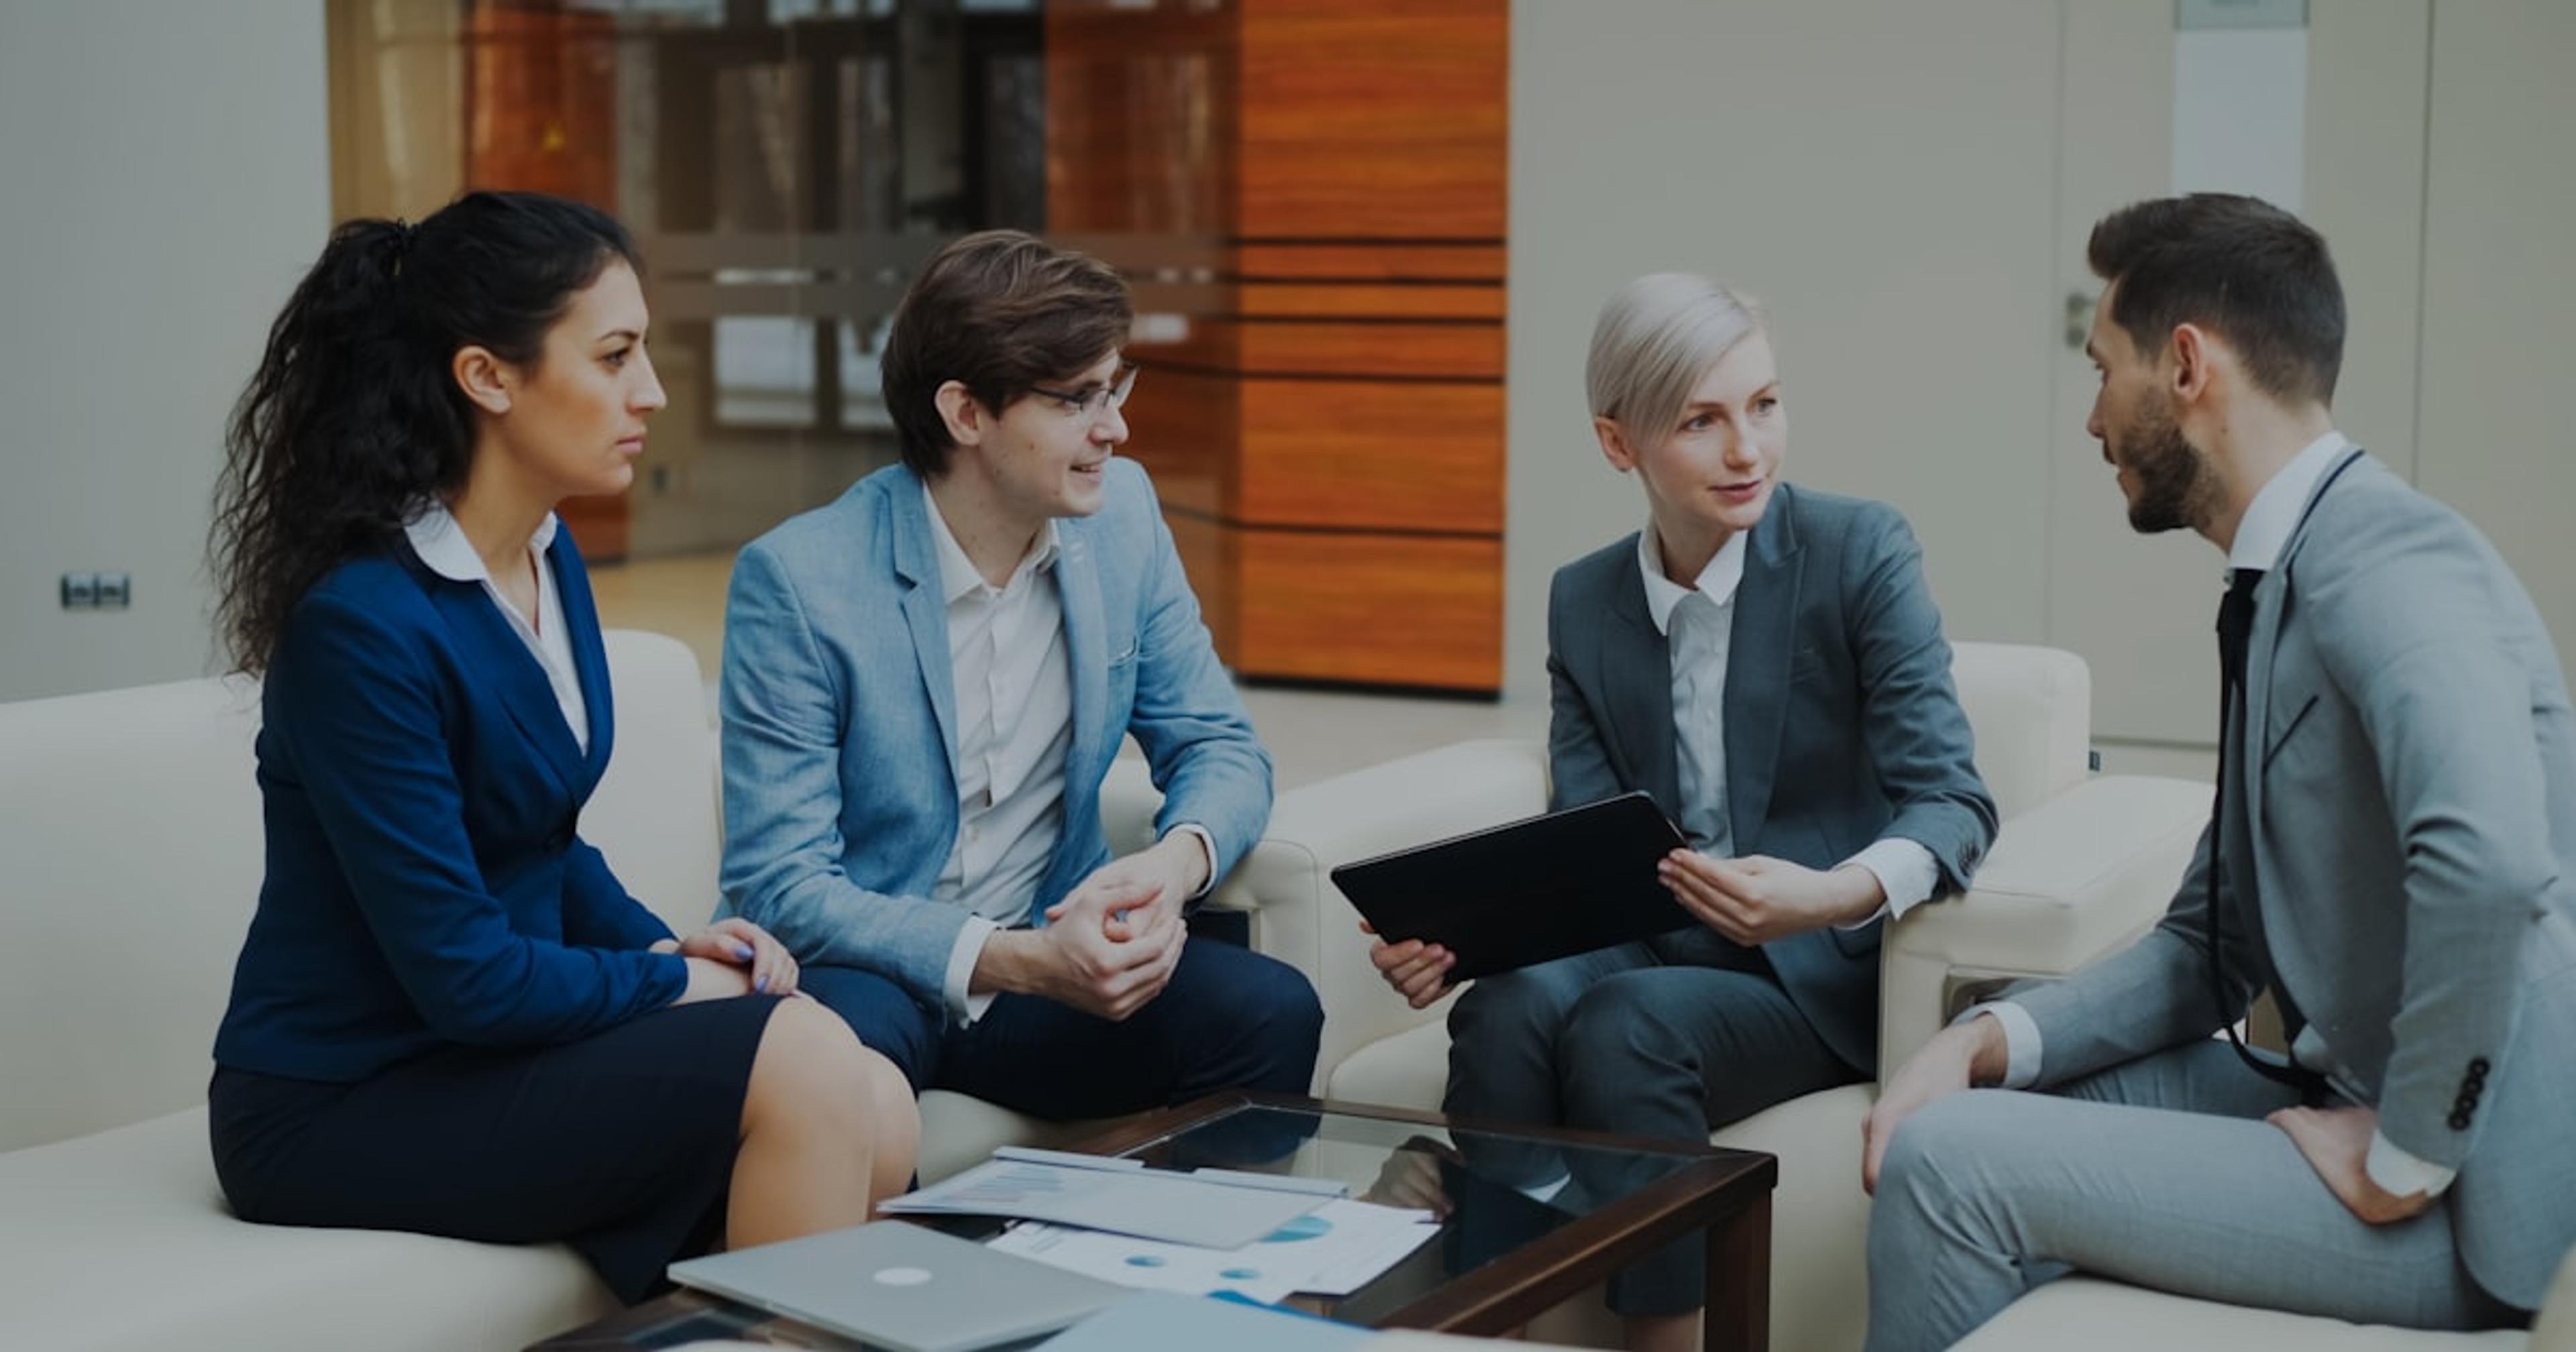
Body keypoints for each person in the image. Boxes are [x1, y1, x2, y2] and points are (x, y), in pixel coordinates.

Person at [1860, 193, 2576, 1348]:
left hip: (2475, 1198)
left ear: (2186, 364)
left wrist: (2405, 1156)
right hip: (2332, 1096)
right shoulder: (2280, 580)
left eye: (2102, 370)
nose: (2093, 419)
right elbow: (2209, 948)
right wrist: (1978, 1041)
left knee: (1947, 1161)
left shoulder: (2391, 556)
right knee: (1985, 1101)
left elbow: (2490, 867)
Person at [205, 191, 919, 1305]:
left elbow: (541, 843)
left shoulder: (545, 555)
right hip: (346, 1095)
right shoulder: (362, 629)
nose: (654, 394)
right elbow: (469, 981)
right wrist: (670, 982)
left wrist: (677, 947)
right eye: (617, 355)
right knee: (810, 1060)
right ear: (488, 377)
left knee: (878, 1094)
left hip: (481, 1049)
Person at [1366, 273, 1997, 1352]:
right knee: (1505, 1004)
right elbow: (1587, 837)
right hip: (1652, 938)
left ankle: (1677, 1343)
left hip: (1810, 970)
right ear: (1622, 444)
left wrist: (1829, 893)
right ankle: (1489, 1323)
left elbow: (1955, 799)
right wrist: (1464, 940)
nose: (1748, 449)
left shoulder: (1859, 555)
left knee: (1625, 1028)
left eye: (1763, 404)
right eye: (1702, 422)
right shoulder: (1585, 598)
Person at [718, 229, 1322, 1125]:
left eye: (1115, 388)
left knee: (1272, 1011)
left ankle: (1162, 1260)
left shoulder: (1122, 522)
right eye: (1077, 399)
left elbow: (1218, 745)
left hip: (1053, 953)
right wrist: (1009, 959)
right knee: (838, 1075)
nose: (1114, 427)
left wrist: (1170, 866)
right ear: (965, 413)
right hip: (873, 968)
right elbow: (783, 884)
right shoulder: (802, 582)